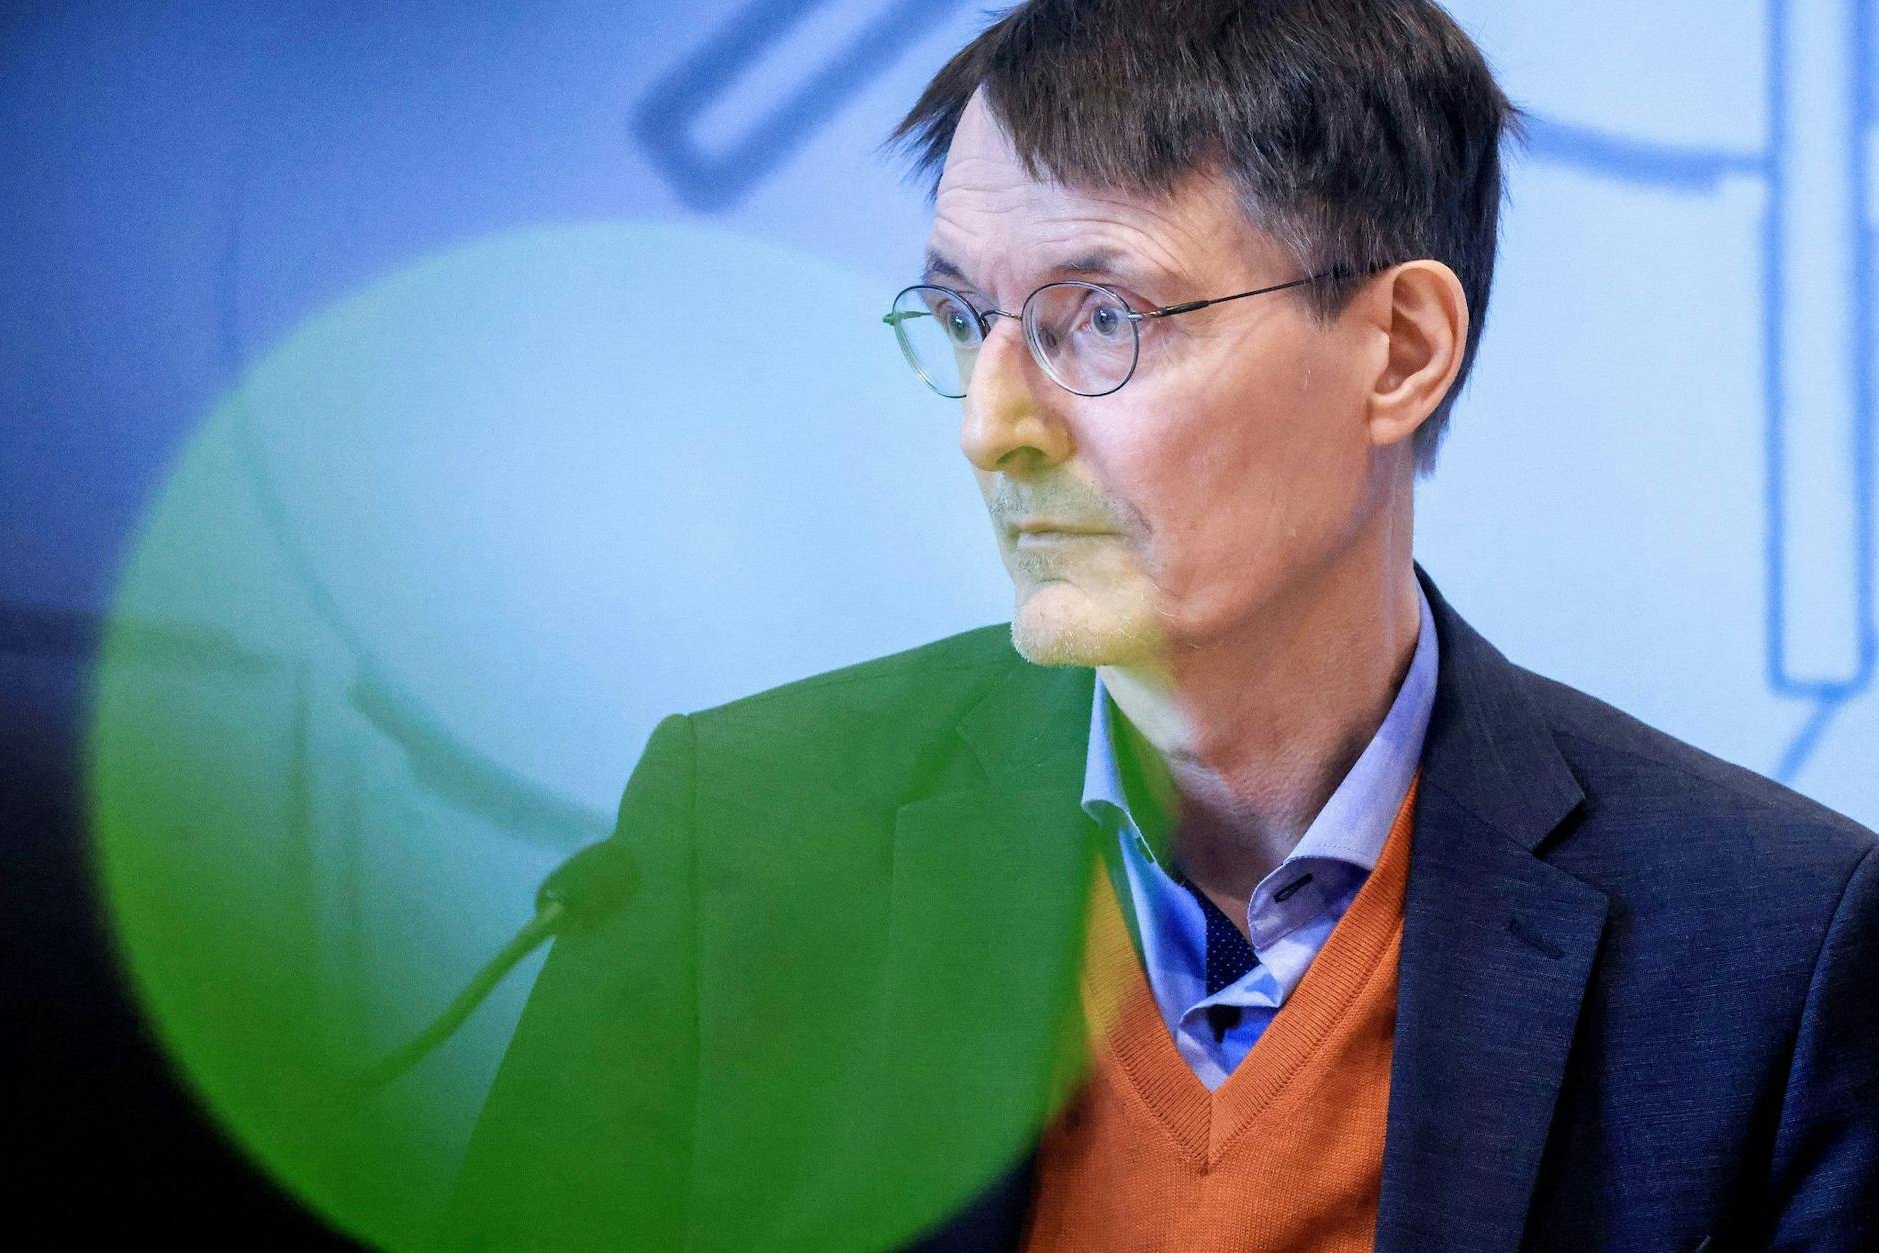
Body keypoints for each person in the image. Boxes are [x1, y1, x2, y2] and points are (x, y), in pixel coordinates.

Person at [445, 1, 1879, 1249]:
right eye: (963, 319)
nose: (992, 427)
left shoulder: (1770, 946)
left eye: (1101, 317)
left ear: (1400, 350)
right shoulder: (739, 840)